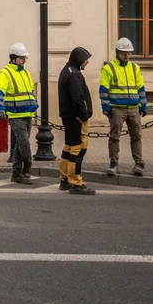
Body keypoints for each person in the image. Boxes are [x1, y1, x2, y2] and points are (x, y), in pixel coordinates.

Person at [99, 37, 148, 176]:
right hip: (117, 108)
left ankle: (139, 163)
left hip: (133, 107)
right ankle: (113, 163)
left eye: (128, 53)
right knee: (115, 136)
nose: (126, 56)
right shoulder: (109, 68)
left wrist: (143, 104)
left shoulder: (135, 67)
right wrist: (106, 107)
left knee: (136, 136)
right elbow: (103, 89)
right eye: (124, 53)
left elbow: (141, 87)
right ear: (117, 52)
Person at [0, 42, 38, 184]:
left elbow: (30, 92)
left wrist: (33, 106)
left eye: (25, 57)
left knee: (20, 144)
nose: (24, 60)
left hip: (27, 113)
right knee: (25, 144)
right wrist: (0, 108)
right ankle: (27, 170)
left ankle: (16, 173)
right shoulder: (4, 73)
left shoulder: (25, 72)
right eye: (21, 58)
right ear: (13, 58)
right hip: (15, 115)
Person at [58, 46, 96, 195]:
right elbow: (78, 98)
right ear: (79, 60)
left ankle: (65, 179)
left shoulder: (68, 70)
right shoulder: (74, 75)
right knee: (78, 149)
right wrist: (84, 115)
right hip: (76, 118)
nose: (87, 62)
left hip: (69, 116)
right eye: (86, 60)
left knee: (68, 148)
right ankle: (75, 182)